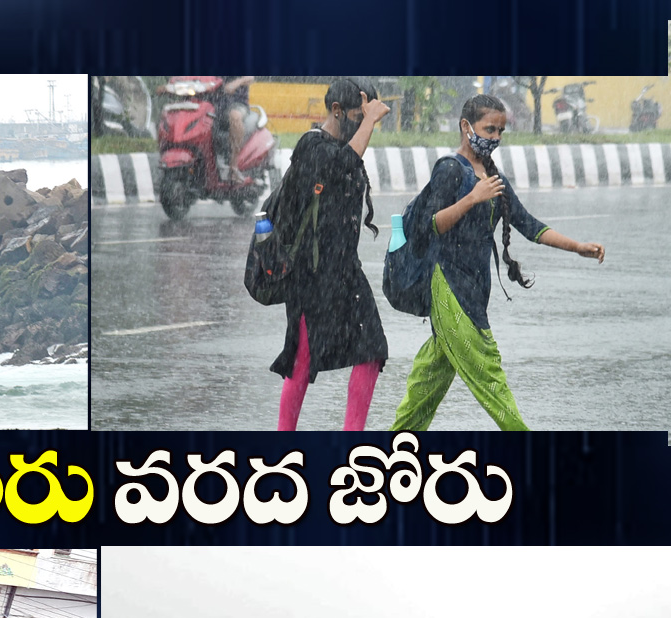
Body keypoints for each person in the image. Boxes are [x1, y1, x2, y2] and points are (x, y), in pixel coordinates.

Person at [390, 94, 606, 431]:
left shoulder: (493, 176)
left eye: (501, 131)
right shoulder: (449, 170)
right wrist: (472, 198)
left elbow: (528, 224)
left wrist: (577, 247)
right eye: (489, 129)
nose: (495, 137)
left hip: (476, 288)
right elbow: (429, 225)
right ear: (466, 127)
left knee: (428, 383)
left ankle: (397, 445)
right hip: (448, 284)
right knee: (490, 376)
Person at [270, 78, 392, 430]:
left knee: (372, 349)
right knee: (303, 360)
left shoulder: (344, 146)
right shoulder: (312, 145)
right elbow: (340, 165)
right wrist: (368, 122)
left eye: (366, 117)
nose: (363, 122)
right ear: (337, 111)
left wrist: (365, 121)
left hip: (344, 269)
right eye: (357, 115)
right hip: (310, 273)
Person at [217, 76, 255, 181]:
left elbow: (250, 77)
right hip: (213, 102)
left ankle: (234, 165)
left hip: (236, 103)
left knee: (235, 116)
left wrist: (237, 82)